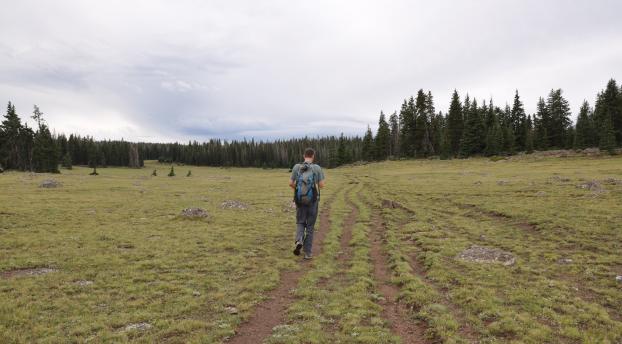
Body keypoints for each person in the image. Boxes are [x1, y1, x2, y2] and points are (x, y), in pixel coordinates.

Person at [289, 148, 325, 259]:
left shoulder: (296, 167)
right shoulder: (317, 168)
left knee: (300, 222)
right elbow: (322, 185)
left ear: (304, 155)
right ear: (313, 156)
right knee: (310, 227)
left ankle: (299, 240)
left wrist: (299, 190)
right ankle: (308, 253)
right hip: (313, 201)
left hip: (300, 201)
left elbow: (290, 183)